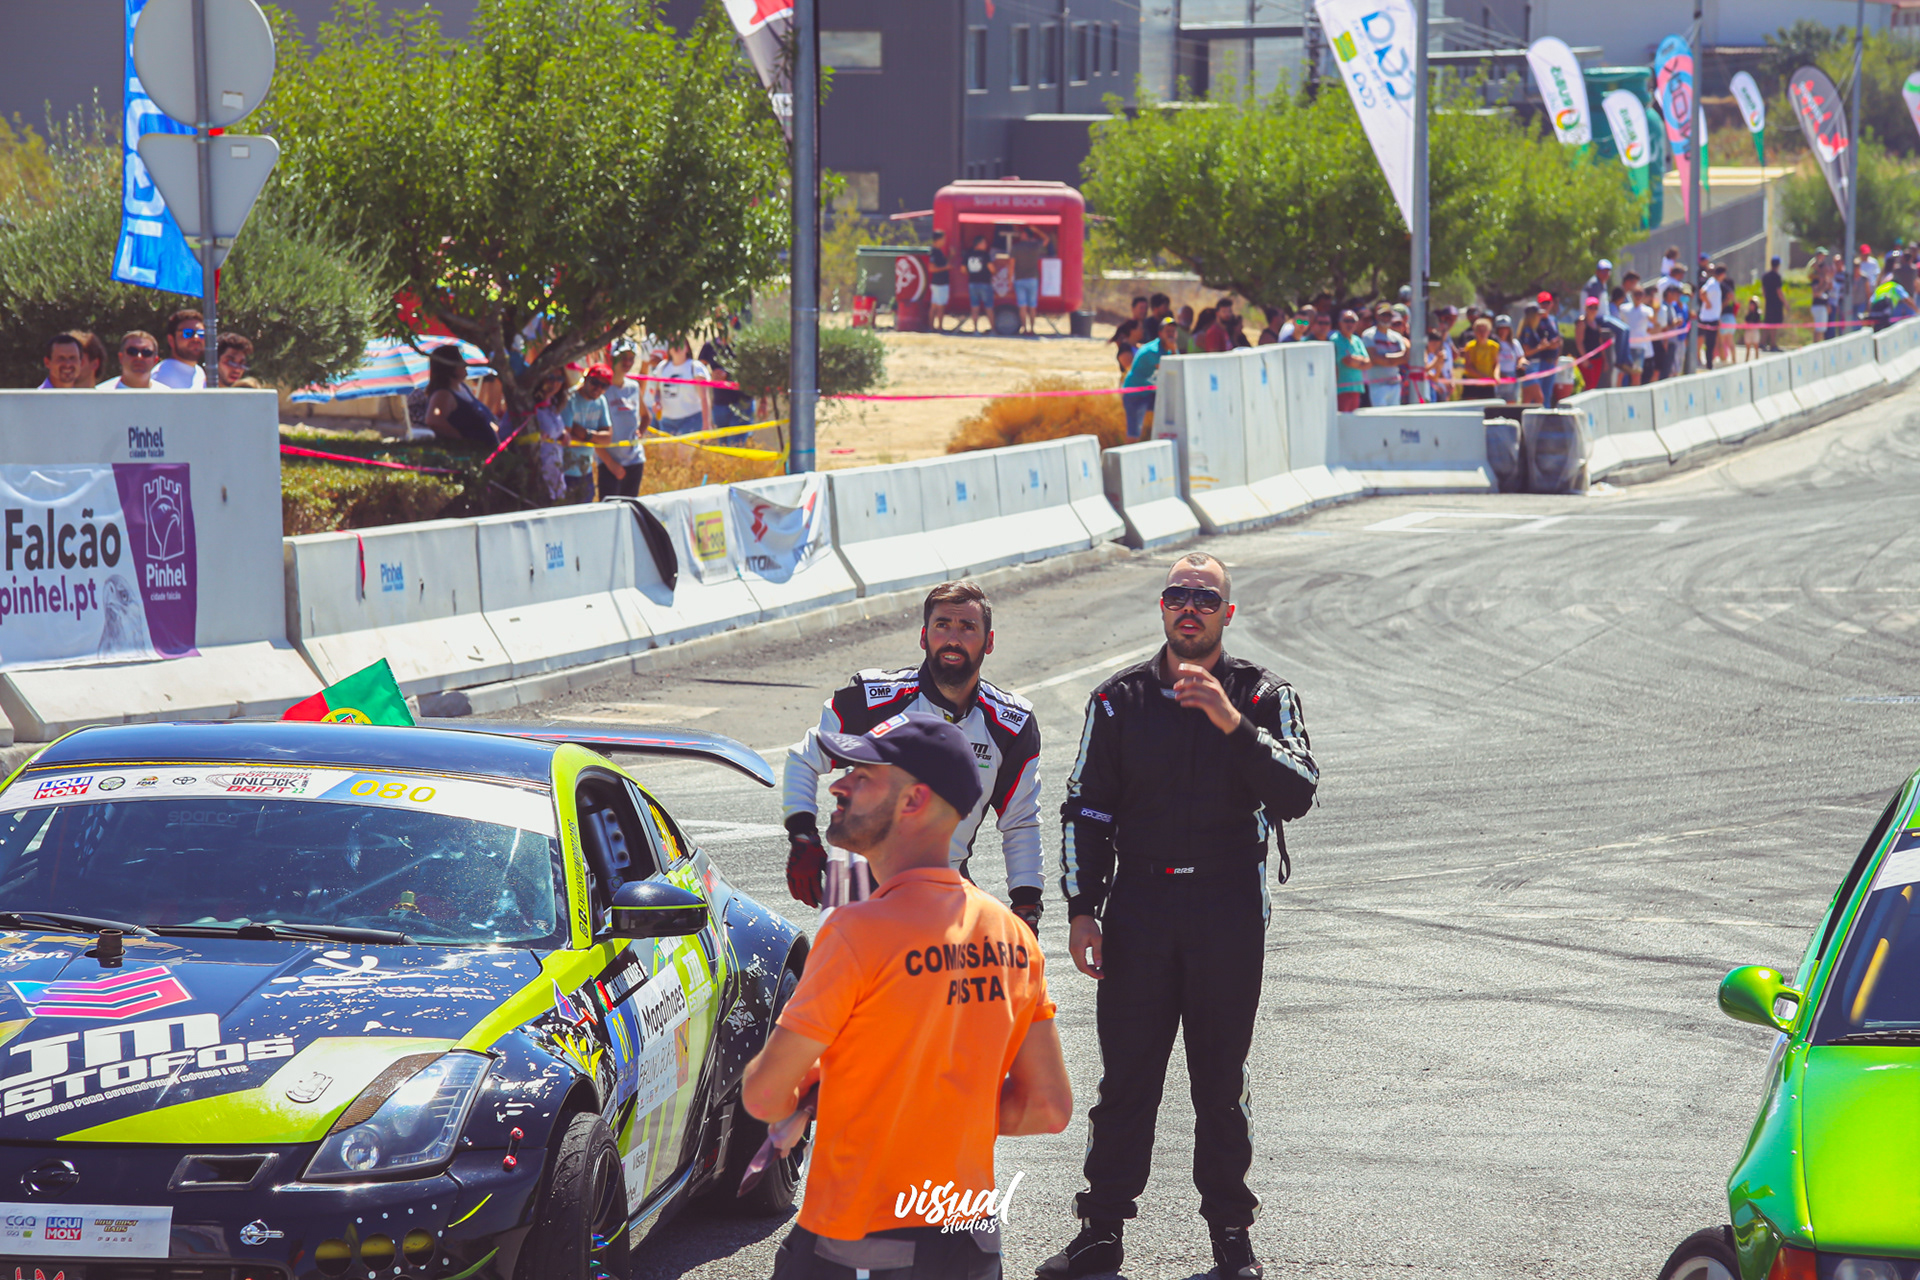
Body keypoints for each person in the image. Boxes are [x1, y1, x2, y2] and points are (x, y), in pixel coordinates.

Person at [1040, 551, 1318, 1280]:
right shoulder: (1117, 701)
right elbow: (1086, 809)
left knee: (1220, 1084)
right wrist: (1082, 909)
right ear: (1161, 608)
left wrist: (1231, 722)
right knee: (1126, 1082)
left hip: (1229, 910)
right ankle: (1100, 1233)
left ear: (1228, 613)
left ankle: (1232, 1240)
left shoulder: (1264, 695)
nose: (1189, 607)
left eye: (1205, 597)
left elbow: (1298, 791)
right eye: (1176, 595)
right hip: (1140, 909)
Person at [744, 713, 1070, 1280]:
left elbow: (766, 1094)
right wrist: (943, 1115)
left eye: (862, 776)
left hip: (858, 1240)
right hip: (969, 1241)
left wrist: (810, 1098)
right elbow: (1048, 1107)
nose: (838, 785)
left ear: (915, 799)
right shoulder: (1013, 936)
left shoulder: (854, 932)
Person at [783, 581, 1048, 933]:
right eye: (942, 625)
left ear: (989, 642)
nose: (953, 639)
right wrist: (803, 835)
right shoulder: (870, 698)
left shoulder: (1012, 724)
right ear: (924, 637)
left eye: (967, 627)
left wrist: (1026, 905)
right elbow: (804, 758)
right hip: (859, 889)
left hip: (945, 889)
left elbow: (1020, 821)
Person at [422, 345, 501, 446]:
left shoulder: (463, 387)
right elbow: (433, 421)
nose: (465, 364)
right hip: (471, 453)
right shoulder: (443, 394)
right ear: (449, 365)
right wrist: (464, 441)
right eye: (460, 360)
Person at [596, 345, 646, 496]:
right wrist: (610, 464)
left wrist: (640, 431)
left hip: (634, 460)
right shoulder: (600, 389)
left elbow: (646, 415)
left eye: (631, 359)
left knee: (631, 506)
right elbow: (592, 432)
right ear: (612, 358)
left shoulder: (633, 387)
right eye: (623, 358)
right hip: (608, 463)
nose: (627, 362)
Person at [1121, 317, 1174, 440]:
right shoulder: (1152, 350)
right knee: (1134, 434)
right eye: (1168, 331)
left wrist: (1173, 349)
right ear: (1160, 333)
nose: (1171, 334)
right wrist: (1173, 349)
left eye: (1173, 331)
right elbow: (1169, 369)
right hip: (1135, 394)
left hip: (1149, 392)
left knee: (1169, 418)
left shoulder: (1169, 348)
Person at [649, 337, 715, 437]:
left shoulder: (695, 367)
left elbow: (704, 397)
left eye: (680, 343)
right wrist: (657, 401)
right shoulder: (662, 367)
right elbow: (657, 390)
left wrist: (707, 424)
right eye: (673, 344)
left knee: (684, 448)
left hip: (691, 420)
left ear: (687, 348)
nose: (676, 347)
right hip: (666, 421)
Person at [1360, 306, 1406, 407]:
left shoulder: (1396, 336)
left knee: (1395, 415)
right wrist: (1394, 360)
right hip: (1377, 385)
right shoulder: (1368, 335)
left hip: (1395, 384)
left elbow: (1404, 357)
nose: (1386, 318)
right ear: (1377, 316)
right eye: (1383, 315)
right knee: (1380, 415)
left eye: (1388, 315)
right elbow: (1374, 358)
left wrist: (1386, 359)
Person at [153, 310, 207, 389]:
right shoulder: (161, 376)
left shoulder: (199, 372)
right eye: (188, 333)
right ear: (171, 340)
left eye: (201, 333)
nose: (196, 338)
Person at [98, 331, 170, 390]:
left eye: (146, 352)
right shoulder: (101, 394)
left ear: (155, 360)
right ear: (121, 357)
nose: (139, 357)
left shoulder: (168, 395)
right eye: (132, 351)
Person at [1332, 311, 1369, 412]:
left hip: (1357, 388)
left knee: (1354, 419)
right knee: (1343, 419)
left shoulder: (1357, 340)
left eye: (1353, 321)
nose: (1350, 324)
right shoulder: (1336, 339)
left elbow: (1368, 363)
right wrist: (1361, 360)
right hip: (1342, 390)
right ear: (1340, 323)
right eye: (1347, 321)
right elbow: (1347, 361)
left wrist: (1354, 360)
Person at [1460, 316, 1500, 401]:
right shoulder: (1470, 347)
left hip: (1488, 384)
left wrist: (1496, 375)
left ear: (1489, 331)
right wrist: (1483, 377)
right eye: (1479, 330)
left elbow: (1496, 364)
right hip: (1473, 383)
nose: (1482, 333)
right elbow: (1468, 367)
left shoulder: (1494, 346)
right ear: (1475, 332)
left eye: (1484, 330)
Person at [1011, 228, 1043, 336]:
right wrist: (1037, 230)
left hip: (1019, 279)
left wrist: (1009, 279)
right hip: (1032, 279)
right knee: (1032, 306)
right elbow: (1046, 239)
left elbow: (1011, 264)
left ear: (1024, 235)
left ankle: (1024, 329)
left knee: (1022, 306)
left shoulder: (1016, 247)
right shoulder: (1035, 246)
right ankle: (1032, 329)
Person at [1576, 297, 1612, 391]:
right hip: (1587, 360)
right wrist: (1585, 359)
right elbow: (1579, 342)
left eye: (1595, 308)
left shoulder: (1597, 324)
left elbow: (1600, 343)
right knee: (1588, 385)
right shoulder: (1582, 323)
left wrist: (1605, 360)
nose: (1593, 310)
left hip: (1597, 359)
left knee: (1593, 386)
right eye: (1590, 307)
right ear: (1586, 308)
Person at [965, 235, 994, 335]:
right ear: (979, 244)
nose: (986, 245)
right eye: (984, 243)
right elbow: (991, 268)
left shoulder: (968, 254)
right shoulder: (985, 255)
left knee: (975, 307)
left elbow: (963, 269)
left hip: (972, 283)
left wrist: (972, 274)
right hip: (985, 283)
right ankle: (993, 330)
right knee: (989, 307)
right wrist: (995, 272)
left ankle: (975, 330)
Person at [1491, 315, 1522, 402]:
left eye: (1505, 328)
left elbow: (1520, 357)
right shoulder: (1493, 344)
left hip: (1512, 377)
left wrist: (1521, 364)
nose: (1503, 331)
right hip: (1498, 378)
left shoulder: (1514, 343)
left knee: (1511, 402)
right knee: (1498, 403)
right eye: (1501, 328)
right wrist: (1499, 374)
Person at [929, 230, 954, 333]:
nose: (944, 241)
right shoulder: (934, 252)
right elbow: (931, 268)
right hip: (939, 283)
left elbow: (944, 264)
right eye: (943, 239)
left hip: (939, 282)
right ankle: (939, 328)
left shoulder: (938, 251)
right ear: (938, 240)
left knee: (935, 305)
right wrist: (946, 268)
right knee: (940, 306)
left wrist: (951, 256)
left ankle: (932, 327)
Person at [1761, 255, 1785, 351]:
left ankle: (1762, 342)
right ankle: (1773, 344)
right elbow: (1779, 291)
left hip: (1768, 302)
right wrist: (1785, 303)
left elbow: (1763, 290)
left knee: (1767, 323)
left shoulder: (1765, 276)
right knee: (1774, 324)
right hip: (1776, 303)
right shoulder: (1777, 277)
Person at [1809, 250, 1833, 341]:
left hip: (1823, 306)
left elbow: (1828, 290)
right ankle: (1816, 344)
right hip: (1818, 305)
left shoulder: (1824, 280)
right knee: (1819, 330)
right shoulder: (1816, 279)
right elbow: (1816, 294)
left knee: (1822, 330)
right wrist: (1824, 285)